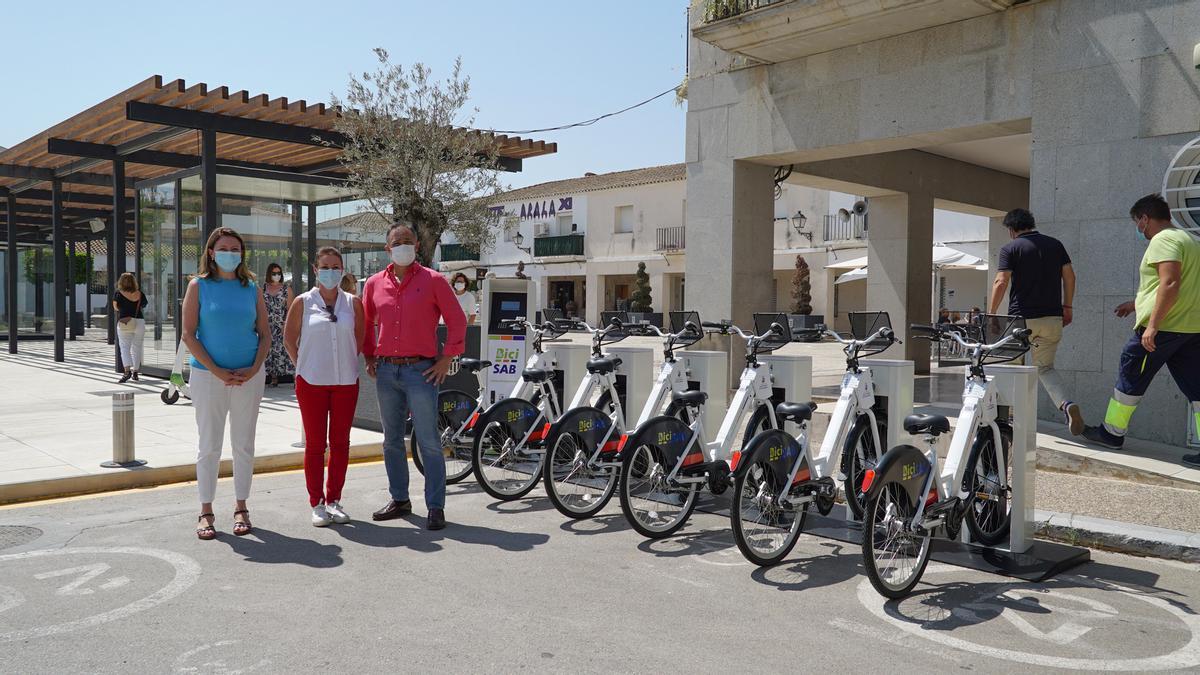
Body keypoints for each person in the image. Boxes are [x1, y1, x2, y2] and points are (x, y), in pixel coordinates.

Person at [1081, 194, 1200, 468]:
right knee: (1197, 387)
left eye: (1138, 222)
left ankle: (1111, 432)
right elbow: (1175, 287)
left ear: (1145, 218)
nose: (1138, 228)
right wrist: (1136, 304)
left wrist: (1153, 326)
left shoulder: (1163, 240)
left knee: (1131, 370)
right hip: (1191, 329)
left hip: (1164, 329)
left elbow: (1170, 285)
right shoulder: (1190, 241)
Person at [362, 223, 466, 530]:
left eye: (408, 241)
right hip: (386, 371)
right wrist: (369, 355)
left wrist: (447, 357)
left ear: (417, 246)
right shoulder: (374, 283)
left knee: (429, 442)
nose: (403, 246)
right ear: (387, 249)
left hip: (421, 371)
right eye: (397, 242)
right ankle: (400, 500)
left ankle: (435, 506)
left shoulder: (433, 280)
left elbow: (457, 320)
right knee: (391, 440)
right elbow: (367, 323)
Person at [181, 227, 271, 540]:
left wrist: (255, 367)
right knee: (209, 446)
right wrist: (218, 371)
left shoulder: (251, 288)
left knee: (243, 444)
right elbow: (188, 335)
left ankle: (241, 507)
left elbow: (265, 333)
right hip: (208, 377)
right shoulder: (198, 286)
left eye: (236, 248)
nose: (230, 253)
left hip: (249, 375)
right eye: (224, 248)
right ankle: (206, 511)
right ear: (211, 252)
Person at [284, 247, 365, 526]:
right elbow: (289, 338)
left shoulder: (353, 303)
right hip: (312, 383)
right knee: (316, 445)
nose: (331, 271)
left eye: (336, 266)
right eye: (325, 267)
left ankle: (335, 500)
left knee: (341, 444)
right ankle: (316, 502)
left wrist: (341, 363)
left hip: (345, 383)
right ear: (316, 270)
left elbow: (358, 339)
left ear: (342, 270)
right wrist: (303, 365)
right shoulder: (303, 302)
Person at [987, 208, 1081, 434]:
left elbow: (1001, 282)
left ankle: (1012, 418)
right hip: (1052, 318)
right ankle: (1067, 405)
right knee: (1045, 368)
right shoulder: (1055, 245)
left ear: (1011, 230)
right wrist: (1067, 306)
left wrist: (992, 314)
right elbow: (1069, 277)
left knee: (1012, 367)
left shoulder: (1010, 248)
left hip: (1022, 320)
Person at [262, 263, 295, 387]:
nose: (276, 276)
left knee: (285, 350)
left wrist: (286, 323)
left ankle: (294, 377)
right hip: (268, 324)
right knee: (269, 350)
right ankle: (273, 378)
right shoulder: (264, 288)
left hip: (281, 324)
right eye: (274, 273)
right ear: (269, 274)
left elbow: (290, 308)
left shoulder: (287, 289)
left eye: (278, 273)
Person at [112, 272, 147, 383]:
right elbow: (144, 305)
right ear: (134, 282)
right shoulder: (140, 294)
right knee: (137, 347)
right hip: (139, 322)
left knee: (124, 347)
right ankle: (135, 372)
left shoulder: (118, 293)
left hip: (125, 323)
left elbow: (116, 308)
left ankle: (127, 371)